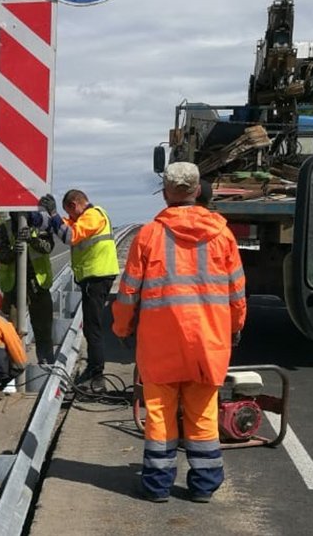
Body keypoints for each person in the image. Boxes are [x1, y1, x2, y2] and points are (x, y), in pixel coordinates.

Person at [111, 162, 247, 503]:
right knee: (203, 414)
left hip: (161, 345)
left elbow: (128, 292)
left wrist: (122, 327)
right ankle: (203, 486)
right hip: (208, 343)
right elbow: (236, 293)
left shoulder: (150, 235)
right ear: (198, 190)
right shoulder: (222, 235)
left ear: (167, 193)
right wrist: (235, 327)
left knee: (158, 413)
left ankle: (157, 486)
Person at [37, 189, 119, 392]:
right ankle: (93, 370)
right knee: (92, 327)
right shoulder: (82, 218)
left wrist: (55, 214)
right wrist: (36, 215)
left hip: (97, 277)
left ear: (75, 205)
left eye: (69, 212)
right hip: (92, 278)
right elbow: (60, 226)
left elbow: (69, 236)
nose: (70, 216)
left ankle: (96, 375)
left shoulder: (93, 216)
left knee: (93, 328)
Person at [0, 212, 55, 363]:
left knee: (43, 328)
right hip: (13, 286)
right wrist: (13, 252)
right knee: (11, 329)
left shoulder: (40, 224)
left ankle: (46, 362)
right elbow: (1, 255)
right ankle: (11, 367)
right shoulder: (5, 227)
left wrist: (32, 240)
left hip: (38, 283)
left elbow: (48, 247)